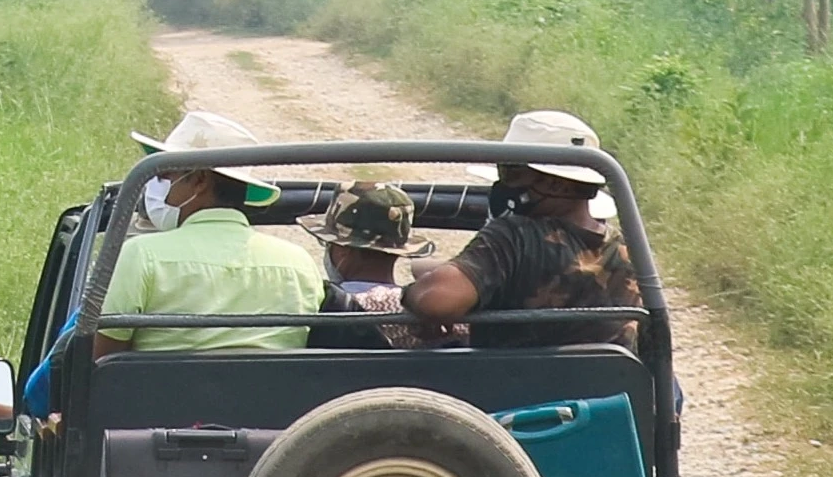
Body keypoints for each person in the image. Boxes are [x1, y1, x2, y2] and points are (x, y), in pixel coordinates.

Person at [400, 108, 639, 350]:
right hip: (611, 385)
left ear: (554, 183)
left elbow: (437, 300)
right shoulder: (627, 251)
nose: (502, 185)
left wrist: (410, 295)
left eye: (511, 174)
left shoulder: (515, 237)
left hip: (510, 385)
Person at [93, 109, 326, 353]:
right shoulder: (299, 262)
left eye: (163, 176)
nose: (154, 187)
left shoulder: (140, 256)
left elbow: (100, 363)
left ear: (199, 180)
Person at [311, 174, 423, 348]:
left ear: (343, 251)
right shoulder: (425, 313)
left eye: (327, 243)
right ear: (397, 252)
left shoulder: (318, 307)